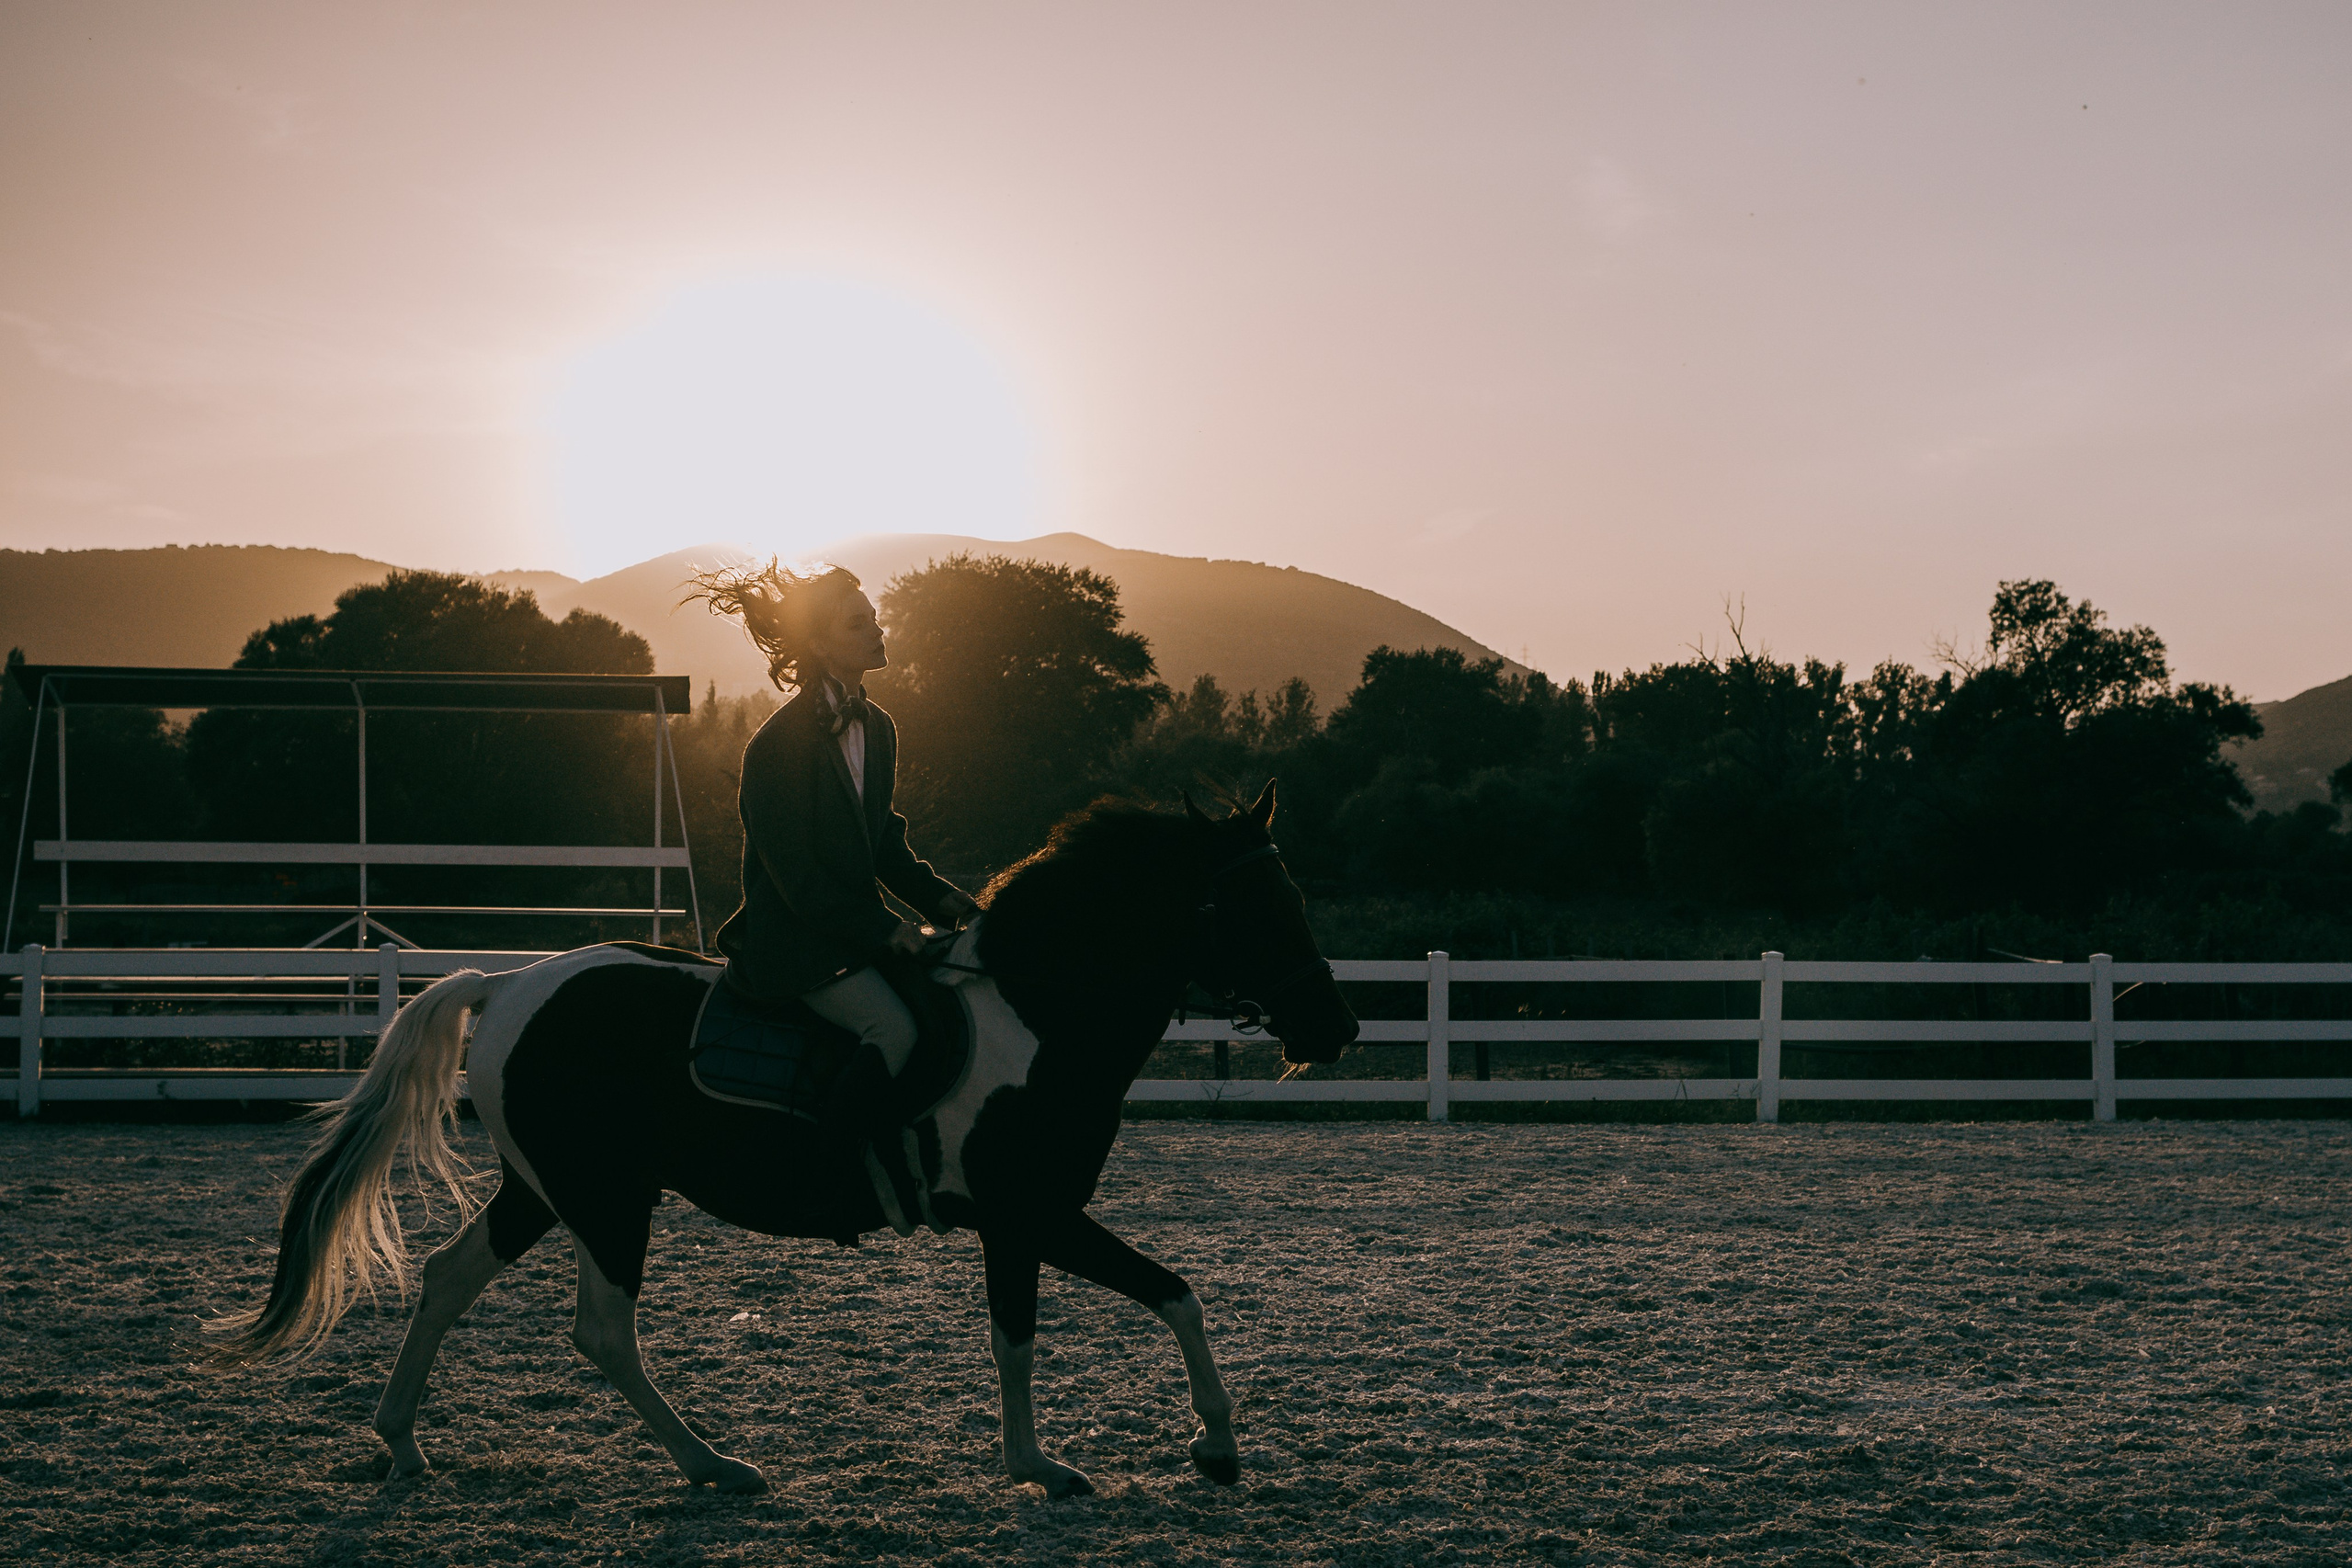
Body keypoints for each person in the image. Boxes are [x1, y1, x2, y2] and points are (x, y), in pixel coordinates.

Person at [690, 561, 980, 1208]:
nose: (877, 630)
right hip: (794, 943)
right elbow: (797, 880)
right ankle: (842, 1166)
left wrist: (950, 903)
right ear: (819, 645)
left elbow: (882, 845)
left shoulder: (877, 727)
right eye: (858, 622)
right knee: (894, 1032)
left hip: (848, 936)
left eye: (874, 617)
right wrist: (886, 930)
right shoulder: (777, 745)